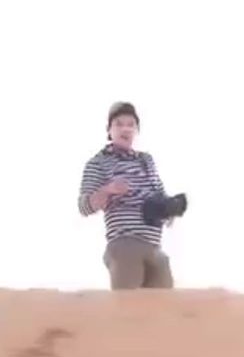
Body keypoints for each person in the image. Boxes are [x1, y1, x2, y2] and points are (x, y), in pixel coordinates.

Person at [78, 102, 186, 290]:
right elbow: (84, 206)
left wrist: (170, 208)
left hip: (154, 245)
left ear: (137, 130)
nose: (125, 129)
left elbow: (159, 193)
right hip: (125, 243)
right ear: (109, 130)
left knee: (164, 309)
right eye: (119, 124)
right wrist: (109, 190)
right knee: (128, 307)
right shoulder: (99, 162)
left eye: (131, 124)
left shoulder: (146, 160)